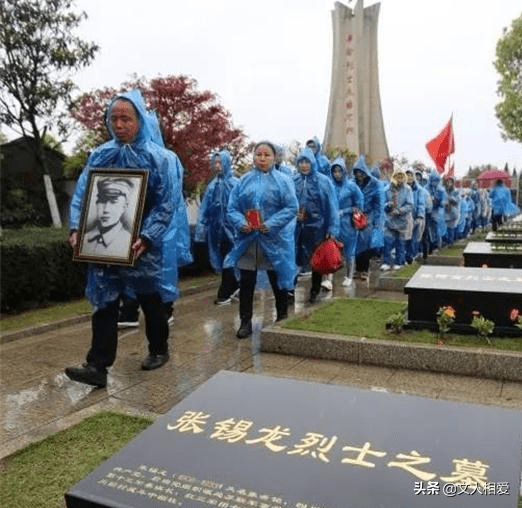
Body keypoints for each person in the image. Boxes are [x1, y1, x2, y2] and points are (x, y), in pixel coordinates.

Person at [65, 90, 181, 388]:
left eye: (126, 118)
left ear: (140, 120)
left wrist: (147, 235)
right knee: (104, 300)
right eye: (114, 118)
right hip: (104, 241)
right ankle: (97, 366)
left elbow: (166, 203)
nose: (119, 125)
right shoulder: (101, 155)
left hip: (141, 245)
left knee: (149, 298)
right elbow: (83, 195)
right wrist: (77, 228)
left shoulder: (160, 159)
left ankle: (159, 349)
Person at [223, 141, 298, 338]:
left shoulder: (283, 181)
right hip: (248, 239)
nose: (262, 159)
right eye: (258, 155)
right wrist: (241, 223)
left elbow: (291, 207)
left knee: (277, 279)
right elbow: (232, 208)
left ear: (274, 157)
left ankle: (282, 318)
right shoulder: (243, 181)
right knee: (247, 281)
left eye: (267, 155)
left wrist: (271, 224)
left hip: (273, 239)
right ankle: (245, 321)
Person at [293, 147, 339, 303]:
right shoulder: (294, 180)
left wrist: (332, 228)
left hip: (318, 227)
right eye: (301, 162)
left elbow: (332, 206)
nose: (304, 165)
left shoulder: (323, 181)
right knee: (293, 257)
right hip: (297, 227)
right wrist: (293, 214)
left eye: (307, 162)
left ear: (312, 163)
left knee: (316, 260)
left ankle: (315, 289)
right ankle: (290, 290)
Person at [195, 149, 239, 305]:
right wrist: (201, 229)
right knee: (223, 259)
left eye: (220, 162)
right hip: (216, 231)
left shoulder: (235, 183)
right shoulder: (212, 185)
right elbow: (204, 209)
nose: (217, 165)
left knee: (230, 259)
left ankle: (225, 293)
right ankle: (233, 287)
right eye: (215, 162)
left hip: (233, 230)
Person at [330, 156, 364, 286]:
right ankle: (329, 278)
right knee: (332, 250)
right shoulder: (330, 186)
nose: (337, 174)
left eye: (339, 171)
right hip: (334, 223)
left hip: (348, 223)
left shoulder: (352, 187)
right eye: (335, 171)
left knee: (349, 251)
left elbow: (359, 206)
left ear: (344, 171)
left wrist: (345, 211)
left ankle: (349, 276)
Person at [82, 177, 134, 258]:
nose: (106, 209)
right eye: (102, 201)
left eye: (113, 202)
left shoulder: (129, 243)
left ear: (124, 207)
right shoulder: (84, 240)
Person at [353, 155, 384, 281]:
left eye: (361, 172)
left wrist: (377, 222)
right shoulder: (352, 183)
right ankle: (357, 269)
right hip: (355, 216)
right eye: (357, 173)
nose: (359, 175)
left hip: (368, 217)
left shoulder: (374, 185)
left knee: (366, 244)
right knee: (355, 244)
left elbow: (379, 205)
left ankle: (364, 270)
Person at [381, 168, 413, 270]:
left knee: (400, 243)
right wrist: (387, 205)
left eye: (401, 176)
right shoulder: (386, 189)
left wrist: (400, 211)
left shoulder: (407, 190)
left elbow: (410, 205)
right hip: (389, 220)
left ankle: (398, 263)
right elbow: (382, 204)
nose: (399, 178)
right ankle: (386, 262)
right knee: (387, 241)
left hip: (402, 220)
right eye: (397, 176)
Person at [405, 169, 426, 264]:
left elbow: (421, 204)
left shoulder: (419, 190)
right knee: (405, 239)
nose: (409, 177)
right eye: (407, 175)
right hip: (403, 218)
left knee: (414, 239)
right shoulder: (402, 188)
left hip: (415, 217)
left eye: (411, 175)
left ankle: (411, 257)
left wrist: (420, 216)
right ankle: (405, 258)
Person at [426, 170, 447, 252]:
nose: (434, 182)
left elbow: (444, 200)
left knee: (437, 228)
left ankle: (437, 244)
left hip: (437, 211)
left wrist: (439, 202)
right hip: (428, 211)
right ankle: (430, 246)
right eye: (432, 180)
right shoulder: (426, 188)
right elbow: (425, 198)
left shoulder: (441, 189)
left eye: (436, 180)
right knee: (428, 229)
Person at [442, 176, 461, 246]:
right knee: (444, 229)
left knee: (451, 229)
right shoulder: (444, 191)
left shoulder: (456, 192)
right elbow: (442, 201)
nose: (449, 183)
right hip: (445, 212)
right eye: (448, 182)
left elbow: (457, 201)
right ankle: (445, 241)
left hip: (452, 213)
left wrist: (451, 198)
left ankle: (450, 242)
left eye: (450, 182)